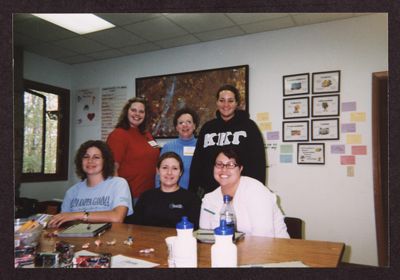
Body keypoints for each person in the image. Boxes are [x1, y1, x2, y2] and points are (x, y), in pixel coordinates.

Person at [189, 84, 266, 198]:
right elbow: (197, 162)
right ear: (217, 102)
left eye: (230, 101)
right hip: (211, 193)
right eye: (222, 100)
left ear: (236, 103)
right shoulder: (208, 128)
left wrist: (256, 192)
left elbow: (258, 164)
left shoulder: (249, 127)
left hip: (241, 193)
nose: (226, 105)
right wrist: (192, 192)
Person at [199, 147, 289, 238]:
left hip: (273, 248)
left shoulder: (256, 191)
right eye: (219, 164)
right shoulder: (209, 199)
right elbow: (205, 236)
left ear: (240, 168)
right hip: (227, 249)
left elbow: (264, 237)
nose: (224, 169)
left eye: (230, 165)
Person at [48, 140, 133, 228]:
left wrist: (77, 215)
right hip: (77, 238)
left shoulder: (118, 184)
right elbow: (63, 221)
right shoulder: (72, 191)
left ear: (105, 161)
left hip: (108, 239)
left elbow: (117, 217)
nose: (90, 160)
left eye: (96, 157)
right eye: (86, 157)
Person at [125, 152, 201, 229]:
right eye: (165, 168)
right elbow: (135, 227)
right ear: (158, 171)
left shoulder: (192, 199)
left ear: (180, 172)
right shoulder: (146, 197)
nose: (169, 172)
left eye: (174, 168)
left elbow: (194, 230)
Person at [107, 97, 160, 205]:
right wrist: (120, 196)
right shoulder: (118, 135)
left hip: (150, 194)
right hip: (130, 196)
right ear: (127, 111)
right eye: (133, 110)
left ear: (145, 115)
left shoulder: (147, 135)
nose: (137, 114)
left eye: (141, 111)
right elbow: (112, 168)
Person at [155, 107, 199, 190]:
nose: (184, 125)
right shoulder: (168, 147)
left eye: (188, 122)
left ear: (194, 126)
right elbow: (159, 175)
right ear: (176, 127)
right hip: (170, 193)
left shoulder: (201, 145)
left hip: (195, 195)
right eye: (181, 122)